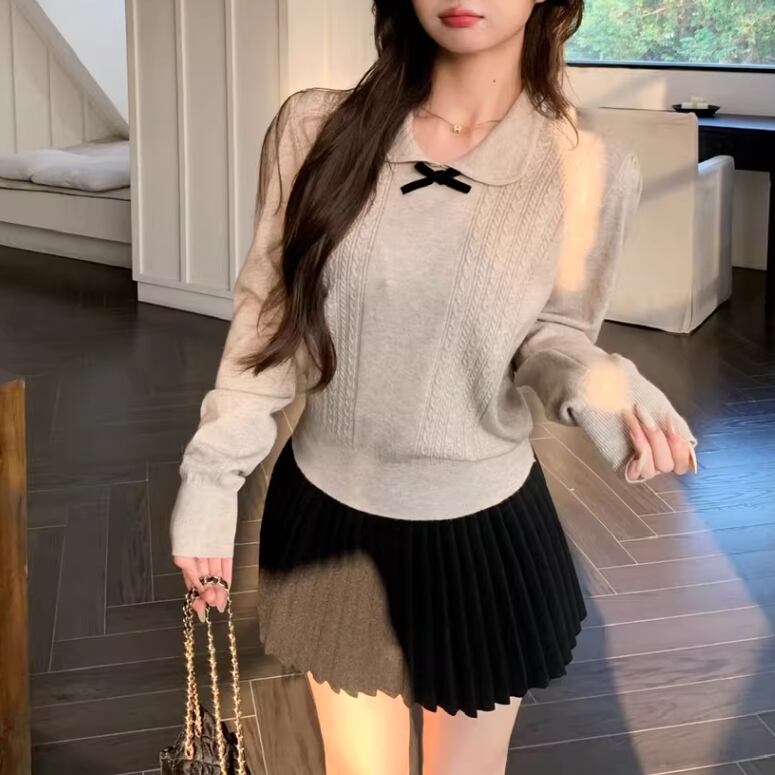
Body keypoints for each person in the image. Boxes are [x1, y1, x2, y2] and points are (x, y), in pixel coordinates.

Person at [169, 0, 699, 773]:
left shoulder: (588, 168)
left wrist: (598, 379)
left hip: (482, 533)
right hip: (328, 519)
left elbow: (552, 332)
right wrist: (211, 481)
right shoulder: (313, 129)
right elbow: (268, 324)